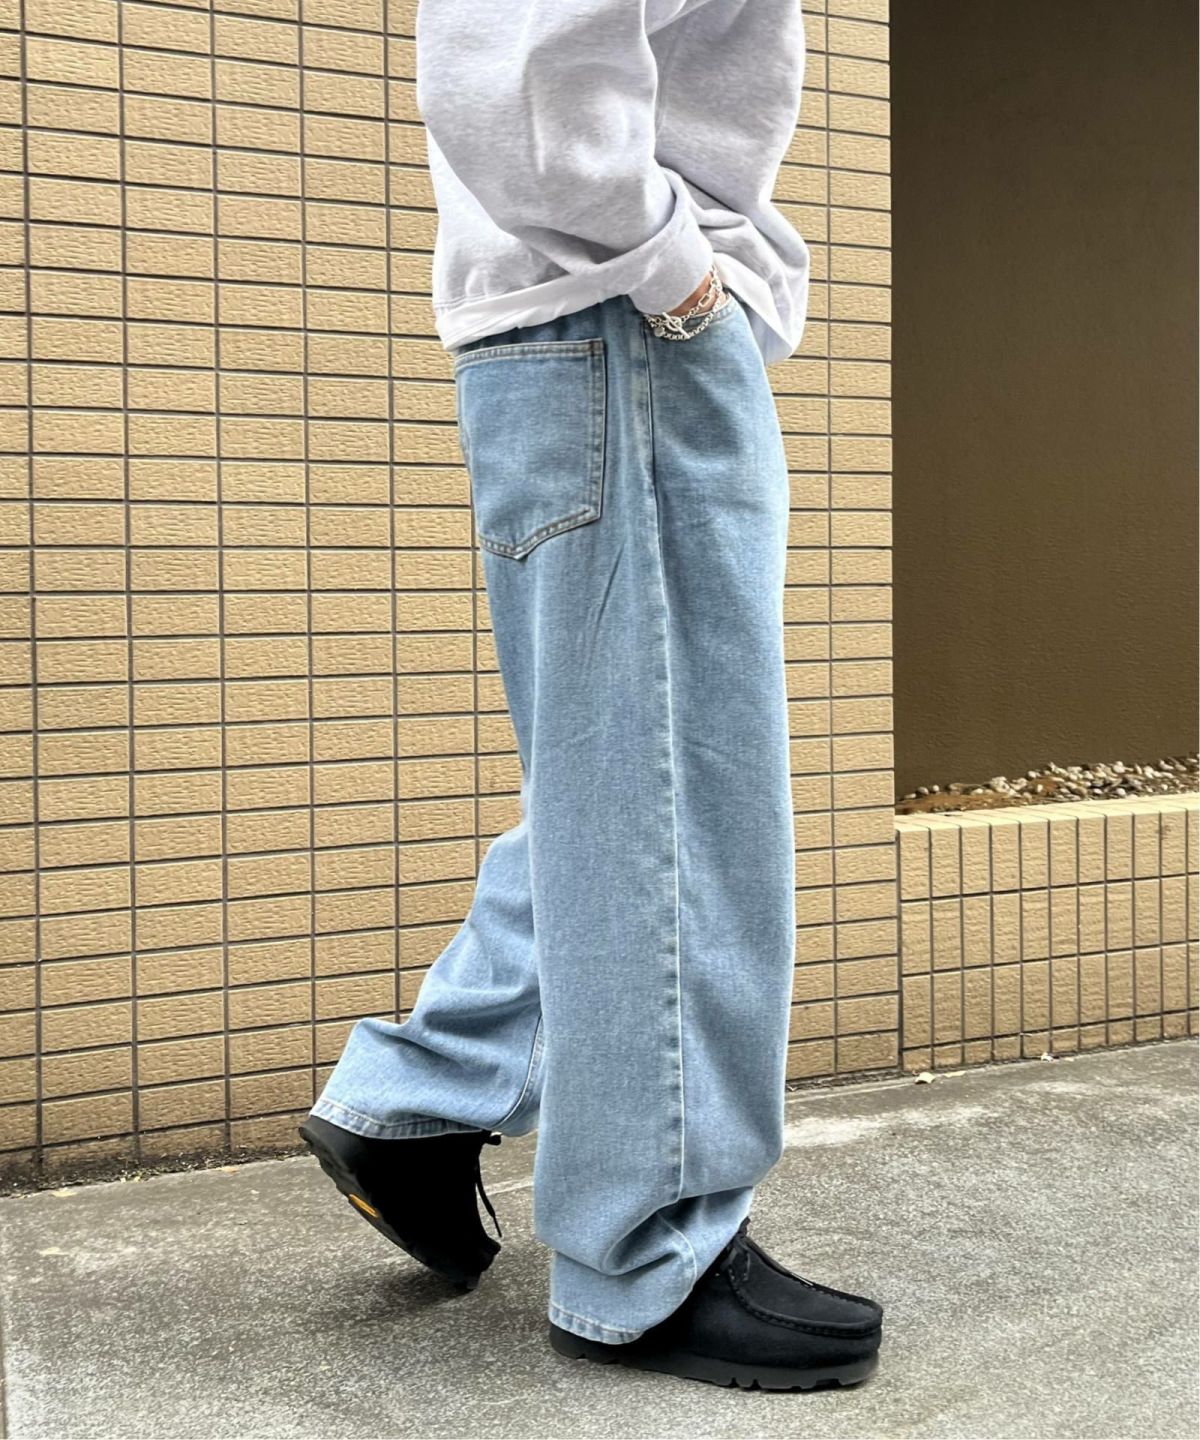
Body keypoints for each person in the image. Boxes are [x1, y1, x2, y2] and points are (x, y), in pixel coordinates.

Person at [300, 0, 884, 1392]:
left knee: (627, 773)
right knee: (675, 792)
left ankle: (421, 1099)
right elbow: (522, 59)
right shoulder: (638, 286)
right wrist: (674, 273)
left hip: (596, 323)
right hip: (622, 319)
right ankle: (648, 1253)